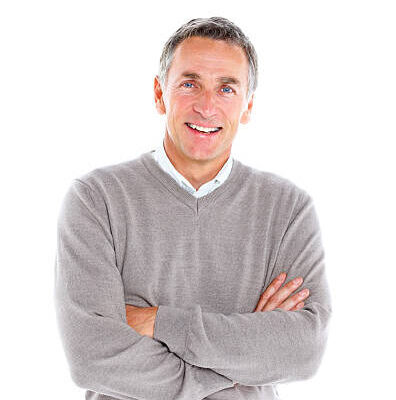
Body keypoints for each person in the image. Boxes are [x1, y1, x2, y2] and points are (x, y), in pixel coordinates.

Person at [54, 16, 332, 400]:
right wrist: (234, 367)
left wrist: (160, 322)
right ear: (158, 94)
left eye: (226, 89)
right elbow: (92, 357)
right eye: (189, 84)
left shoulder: (288, 210)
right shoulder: (96, 199)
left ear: (247, 106)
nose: (206, 106)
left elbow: (303, 349)